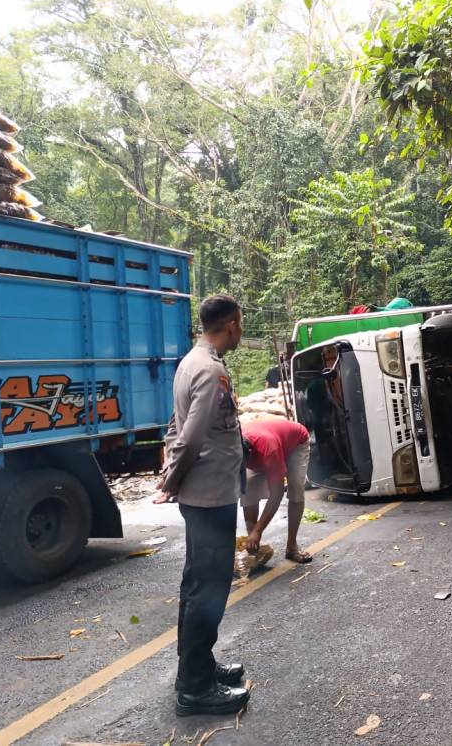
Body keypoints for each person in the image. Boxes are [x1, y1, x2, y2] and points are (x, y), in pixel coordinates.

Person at [152, 294, 251, 718]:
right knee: (208, 590)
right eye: (240, 325)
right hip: (209, 494)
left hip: (202, 492)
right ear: (230, 325)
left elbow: (176, 425)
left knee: (197, 586)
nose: (241, 332)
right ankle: (195, 689)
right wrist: (170, 482)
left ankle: (198, 669)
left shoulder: (191, 362)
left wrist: (171, 477)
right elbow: (190, 436)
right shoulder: (210, 370)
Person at [241, 419, 312, 563]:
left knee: (296, 491)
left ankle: (292, 547)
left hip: (295, 444)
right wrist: (252, 534)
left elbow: (277, 493)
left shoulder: (268, 450)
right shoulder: (233, 445)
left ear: (248, 454)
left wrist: (258, 531)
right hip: (272, 441)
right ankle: (254, 547)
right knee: (247, 488)